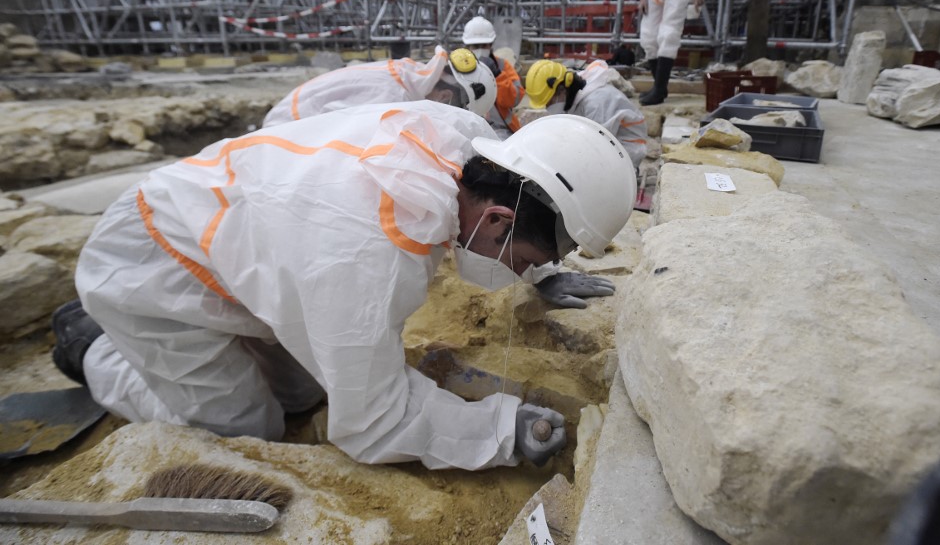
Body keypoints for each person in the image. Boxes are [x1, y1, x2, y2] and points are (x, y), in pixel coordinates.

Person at [52, 102, 637, 472]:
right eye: (524, 259)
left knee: (304, 395)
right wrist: (497, 431)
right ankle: (95, 350)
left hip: (247, 239)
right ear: (500, 223)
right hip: (155, 266)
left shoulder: (467, 146)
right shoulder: (366, 252)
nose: (517, 272)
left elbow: (525, 213)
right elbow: (370, 422)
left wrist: (543, 273)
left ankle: (203, 345)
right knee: (249, 429)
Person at [262, 47, 497, 128]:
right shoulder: (393, 98)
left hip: (291, 127)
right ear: (446, 97)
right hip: (282, 135)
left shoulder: (405, 76)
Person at [524, 59, 648, 171]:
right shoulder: (574, 94)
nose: (548, 107)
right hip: (604, 143)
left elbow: (595, 149)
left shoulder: (596, 103)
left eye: (549, 102)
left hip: (625, 151)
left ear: (562, 89)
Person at [462, 16, 525, 138]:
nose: (480, 50)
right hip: (469, 128)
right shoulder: (458, 69)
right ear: (467, 47)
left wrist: (497, 75)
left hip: (501, 129)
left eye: (484, 45)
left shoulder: (502, 66)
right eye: (475, 46)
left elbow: (514, 100)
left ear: (491, 45)